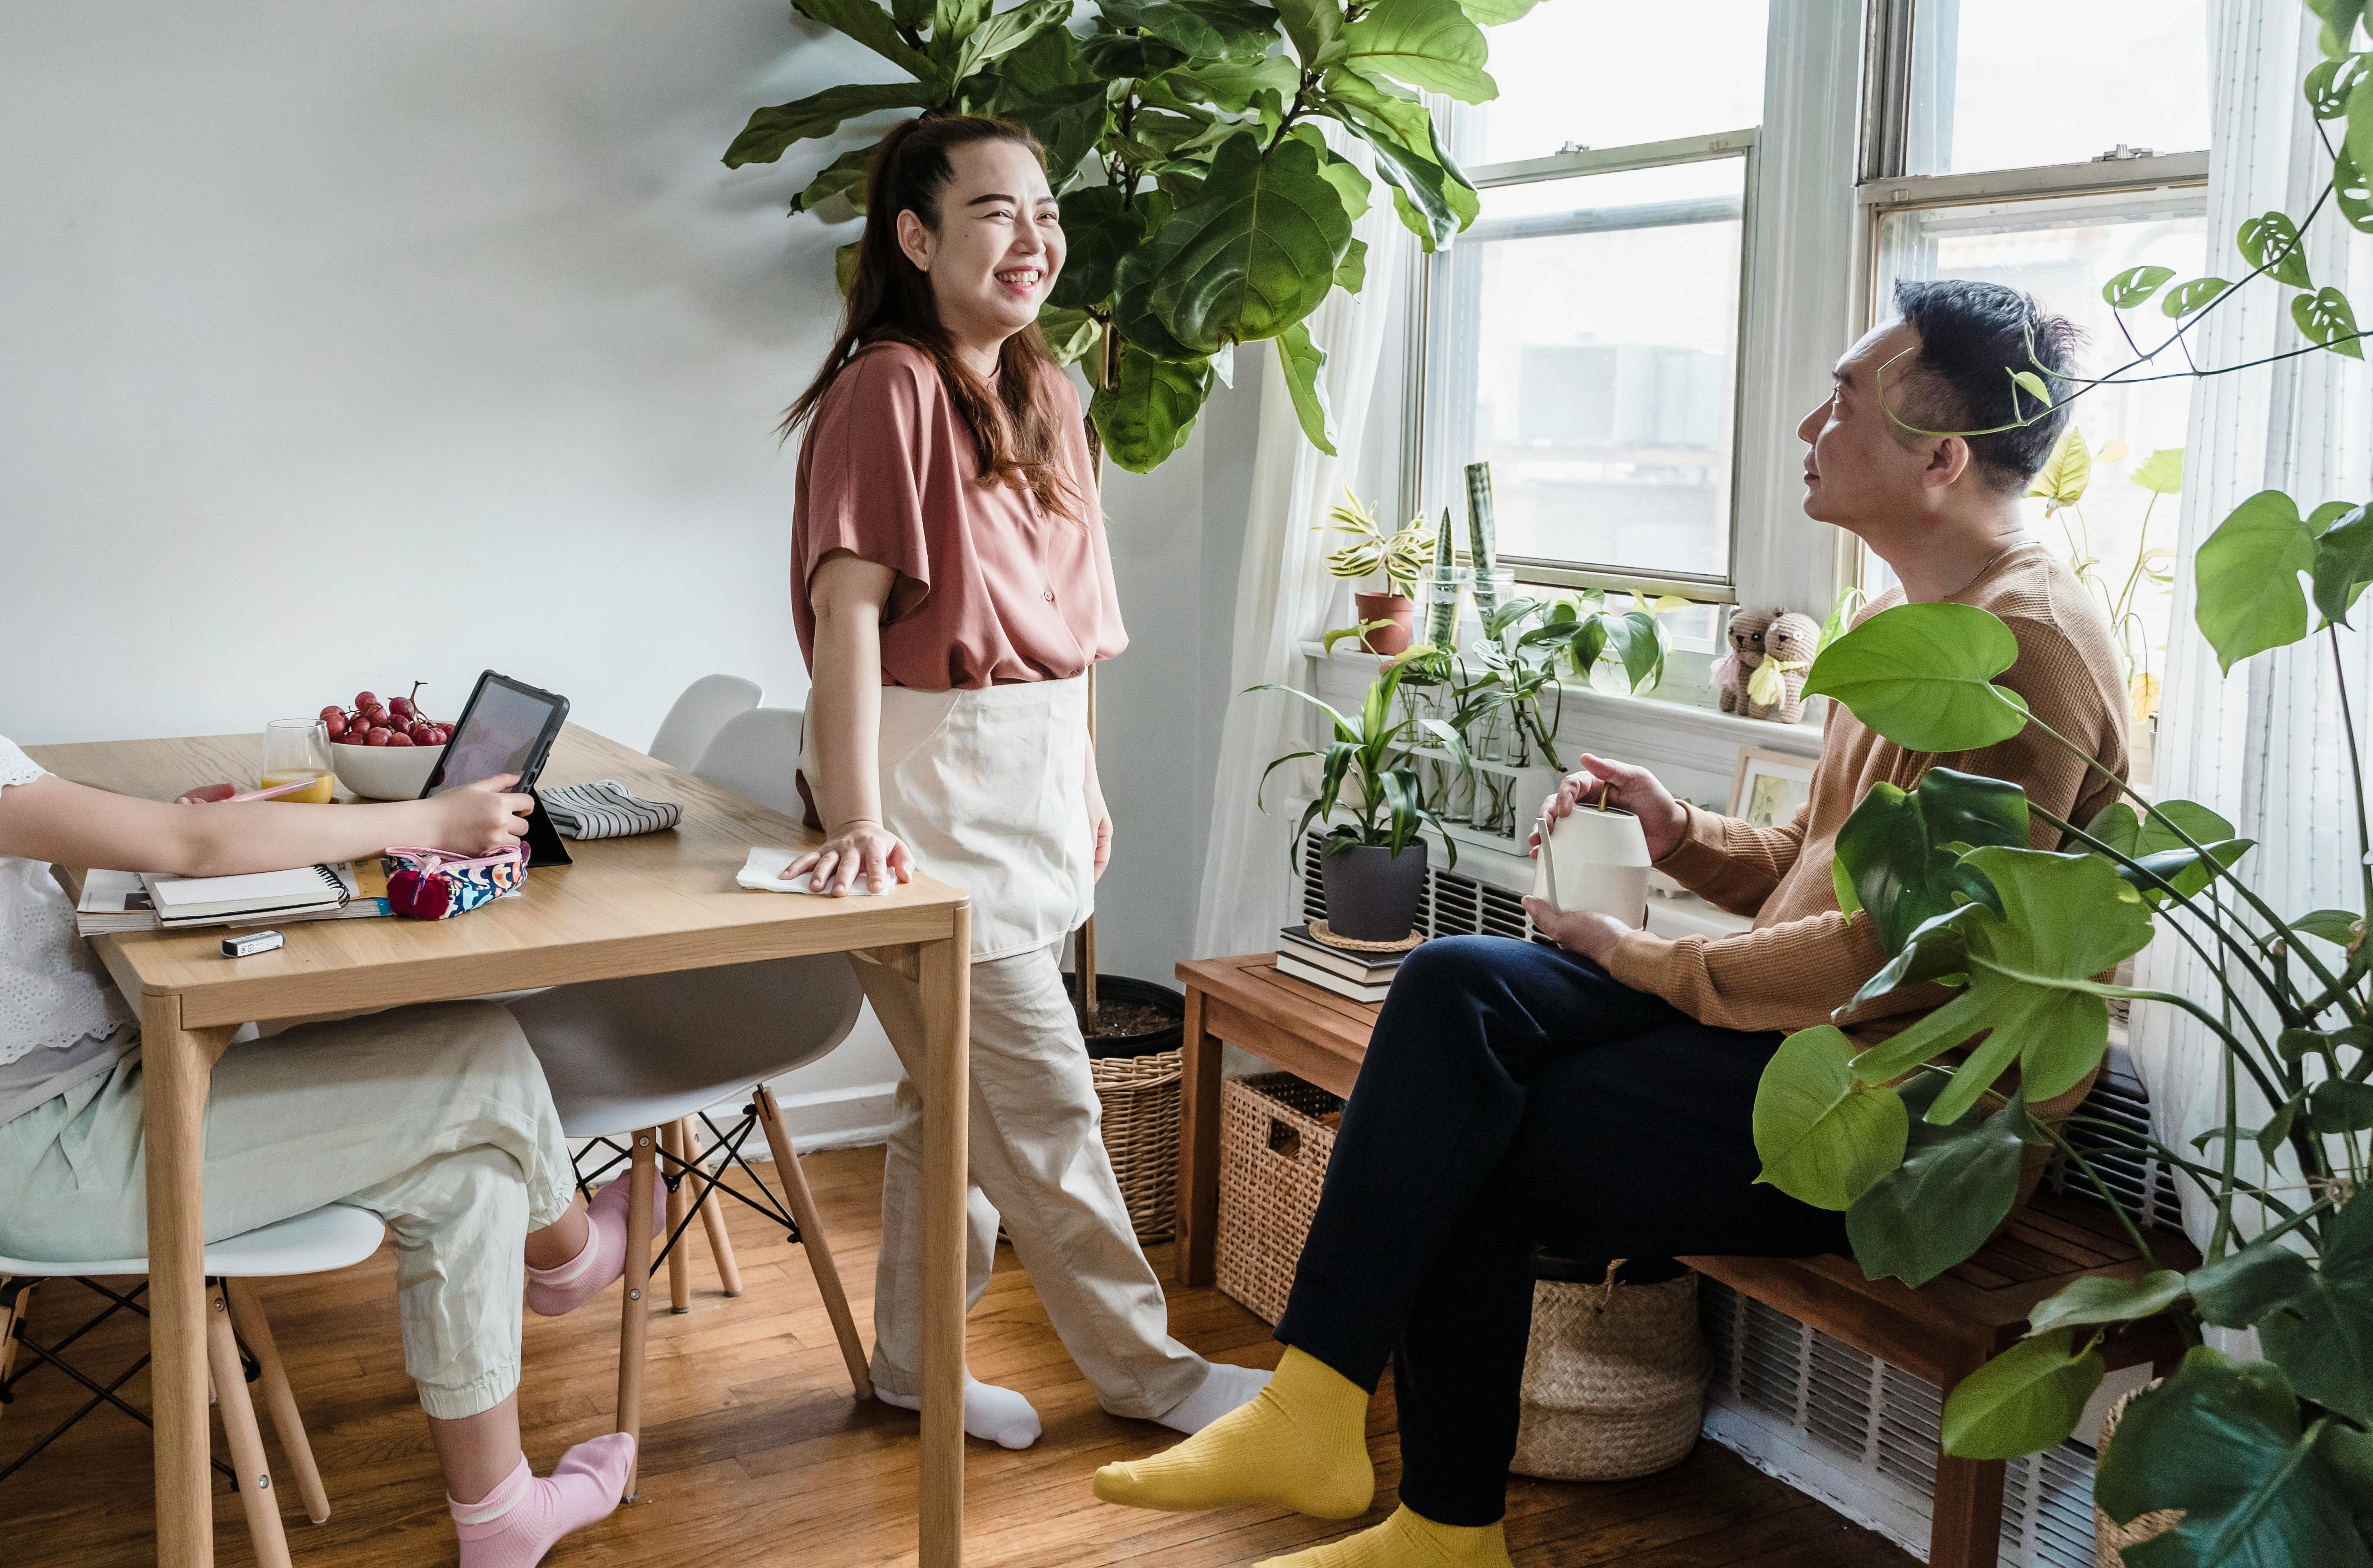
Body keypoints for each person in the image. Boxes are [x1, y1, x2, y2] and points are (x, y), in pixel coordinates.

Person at [1091, 280, 2132, 1568]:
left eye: (1845, 400)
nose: (1812, 422)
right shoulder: (1900, 624)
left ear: (1941, 459)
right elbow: (1823, 866)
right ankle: (1326, 1417)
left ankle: (1429, 1520)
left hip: (1904, 1107)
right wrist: (1682, 832)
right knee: (1456, 988)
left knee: (1472, 1134)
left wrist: (1647, 956)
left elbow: (1901, 949)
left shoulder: (2023, 645)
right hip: (1799, 1027)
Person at [0, 442, 636, 1568]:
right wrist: (426, 822)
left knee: (463, 1168)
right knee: (480, 1050)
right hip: (44, 1156)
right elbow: (190, 849)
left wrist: (176, 821)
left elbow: (71, 851)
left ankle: (500, 1512)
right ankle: (569, 1253)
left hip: (31, 1131)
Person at [781, 114, 1267, 1451]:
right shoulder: (891, 387)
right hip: (927, 791)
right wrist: (863, 815)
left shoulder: (1050, 392)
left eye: (1044, 211)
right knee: (1040, 1105)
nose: (1033, 236)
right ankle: (1151, 1378)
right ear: (918, 238)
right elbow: (847, 619)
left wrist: (1085, 777)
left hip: (1033, 776)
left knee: (956, 1104)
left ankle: (911, 1367)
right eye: (994, 211)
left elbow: (1078, 624)